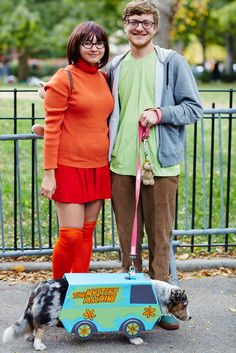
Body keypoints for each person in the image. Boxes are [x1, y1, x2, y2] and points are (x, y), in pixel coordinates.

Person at [108, 0, 203, 329]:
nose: (139, 28)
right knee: (127, 240)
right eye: (134, 21)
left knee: (159, 239)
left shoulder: (172, 63)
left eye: (146, 23)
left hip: (160, 168)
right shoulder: (116, 67)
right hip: (121, 165)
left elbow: (193, 108)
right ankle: (133, 300)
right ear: (125, 24)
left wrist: (160, 114)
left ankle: (161, 305)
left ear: (155, 27)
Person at [39, 22, 114, 280]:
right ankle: (57, 291)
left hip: (98, 166)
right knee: (70, 236)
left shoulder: (104, 78)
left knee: (86, 235)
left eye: (99, 42)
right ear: (76, 45)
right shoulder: (64, 77)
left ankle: (77, 294)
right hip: (69, 167)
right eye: (88, 42)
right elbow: (52, 129)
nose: (94, 48)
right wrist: (49, 174)